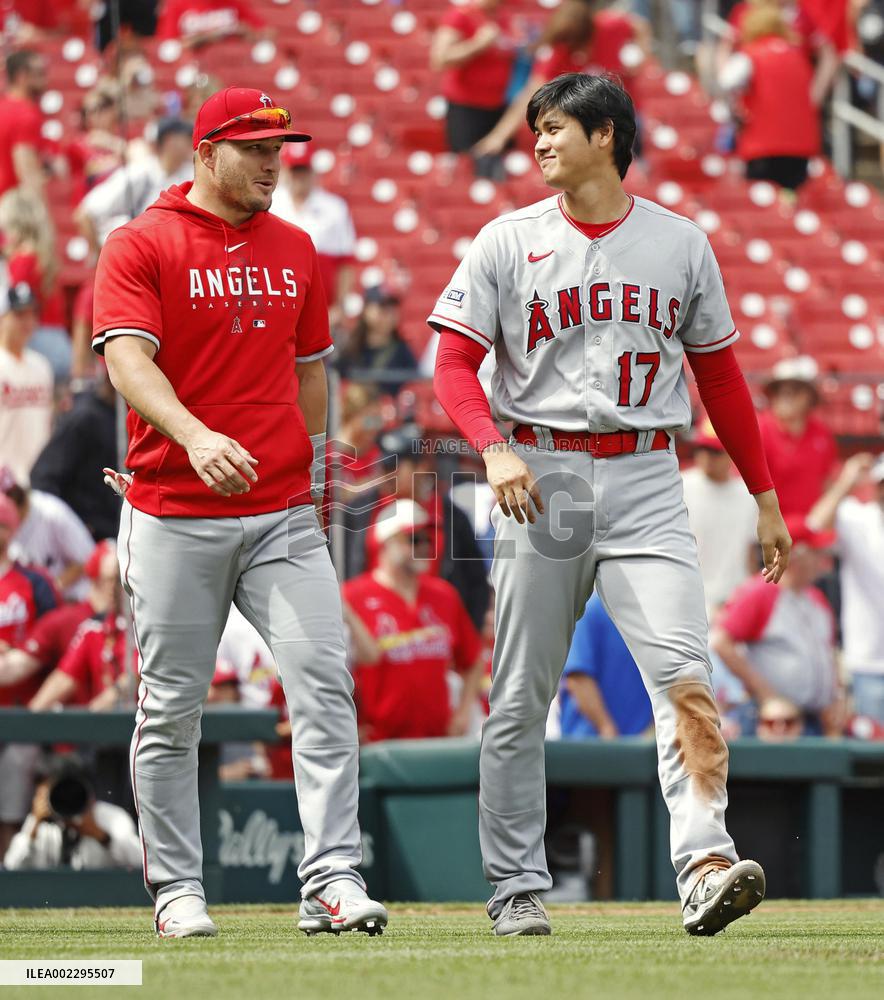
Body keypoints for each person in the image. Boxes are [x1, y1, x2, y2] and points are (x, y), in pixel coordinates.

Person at [429, 73, 791, 937]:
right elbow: (451, 364)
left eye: (555, 127)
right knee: (519, 693)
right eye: (537, 129)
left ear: (605, 135)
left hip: (645, 474)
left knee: (686, 680)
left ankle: (704, 863)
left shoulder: (679, 243)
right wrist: (493, 447)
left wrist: (765, 497)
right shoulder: (508, 240)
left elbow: (722, 381)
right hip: (542, 474)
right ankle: (516, 884)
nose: (540, 142)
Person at [92, 86, 386, 939]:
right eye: (254, 148)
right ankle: (178, 888)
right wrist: (193, 436)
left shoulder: (298, 245)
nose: (272, 162)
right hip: (174, 507)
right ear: (206, 150)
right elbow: (126, 363)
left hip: (283, 511)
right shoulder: (140, 240)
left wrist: (323, 464)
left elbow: (310, 372)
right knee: (174, 706)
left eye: (278, 148)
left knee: (325, 688)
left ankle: (331, 877)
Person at [343, 499, 486, 742]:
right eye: (413, 539)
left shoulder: (444, 595)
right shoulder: (352, 596)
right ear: (386, 543)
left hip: (438, 742)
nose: (424, 546)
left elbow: (473, 660)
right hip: (378, 746)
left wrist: (462, 712)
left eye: (427, 539)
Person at [711, 517, 843, 737]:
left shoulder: (817, 598)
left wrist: (837, 697)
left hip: (816, 721)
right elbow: (720, 642)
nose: (823, 559)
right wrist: (765, 693)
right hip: (773, 724)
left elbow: (829, 655)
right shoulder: (762, 590)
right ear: (796, 554)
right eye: (816, 552)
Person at [473, 0, 650, 159]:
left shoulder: (609, 26)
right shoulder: (557, 52)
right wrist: (498, 137)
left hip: (625, 113)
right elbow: (530, 94)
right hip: (591, 123)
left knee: (631, 166)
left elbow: (640, 25)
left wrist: (642, 56)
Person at [0, 491, 58, 859]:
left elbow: (51, 641)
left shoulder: (34, 581)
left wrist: (16, 655)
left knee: (12, 811)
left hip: (24, 711)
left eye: (2, 524)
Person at [807, 452, 884, 723]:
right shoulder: (859, 518)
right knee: (872, 757)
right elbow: (814, 525)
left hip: (868, 662)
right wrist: (846, 480)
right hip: (868, 662)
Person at [718, 4, 822, 191]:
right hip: (801, 145)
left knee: (764, 204)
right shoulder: (798, 55)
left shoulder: (751, 54)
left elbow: (726, 80)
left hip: (762, 145)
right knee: (789, 203)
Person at [0, 540, 119, 699]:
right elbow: (15, 667)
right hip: (76, 720)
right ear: (95, 578)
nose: (119, 588)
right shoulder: (64, 621)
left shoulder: (136, 624)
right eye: (112, 580)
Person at [75, 118, 194, 257]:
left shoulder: (191, 174)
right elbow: (84, 213)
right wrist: (99, 257)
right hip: (136, 256)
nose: (190, 143)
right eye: (185, 138)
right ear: (169, 141)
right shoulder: (140, 172)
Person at [29, 360, 119, 541]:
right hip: (91, 541)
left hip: (119, 533)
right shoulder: (85, 416)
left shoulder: (127, 416)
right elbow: (43, 478)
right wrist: (71, 532)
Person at [3, 754, 143, 871]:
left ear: (89, 790)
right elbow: (12, 868)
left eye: (73, 791)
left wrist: (102, 836)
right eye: (59, 791)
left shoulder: (111, 817)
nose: (67, 798)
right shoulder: (40, 820)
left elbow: (140, 861)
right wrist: (32, 830)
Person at [270, 142, 356, 325]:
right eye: (295, 170)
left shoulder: (335, 208)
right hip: (279, 306)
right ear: (285, 171)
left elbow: (346, 262)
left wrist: (339, 308)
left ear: (313, 172)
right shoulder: (270, 204)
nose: (299, 177)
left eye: (303, 170)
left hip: (323, 309)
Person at [430, 0, 518, 179]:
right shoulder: (460, 15)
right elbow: (439, 58)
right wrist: (477, 44)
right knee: (468, 169)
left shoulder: (503, 16)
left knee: (498, 168)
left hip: (499, 104)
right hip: (467, 107)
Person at [681, 420, 759, 623]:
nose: (706, 458)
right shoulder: (680, 486)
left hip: (731, 600)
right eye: (702, 449)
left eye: (714, 452)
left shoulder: (748, 496)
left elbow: (749, 554)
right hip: (688, 598)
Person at [559, 593, 652, 739]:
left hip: (638, 748)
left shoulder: (653, 618)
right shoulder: (591, 610)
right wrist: (606, 729)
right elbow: (578, 679)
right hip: (588, 746)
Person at [756, 356, 839, 520]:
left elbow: (827, 483)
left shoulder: (822, 433)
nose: (785, 395)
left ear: (810, 396)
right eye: (779, 390)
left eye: (795, 389)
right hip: (770, 531)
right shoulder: (759, 430)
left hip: (813, 531)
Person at [0, 188, 69, 378]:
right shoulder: (45, 257)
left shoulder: (22, 259)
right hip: (60, 342)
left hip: (36, 343)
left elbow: (17, 311)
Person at [3, 468, 97, 600]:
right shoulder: (8, 528)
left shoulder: (51, 513)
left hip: (77, 599)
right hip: (40, 607)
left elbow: (87, 560)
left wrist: (50, 589)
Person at [0, 283, 52, 486]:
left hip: (37, 480)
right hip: (4, 482)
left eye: (32, 315)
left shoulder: (42, 366)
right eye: (20, 315)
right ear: (4, 317)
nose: (28, 322)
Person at [335, 286, 418, 399]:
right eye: (382, 307)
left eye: (393, 307)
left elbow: (413, 388)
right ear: (366, 310)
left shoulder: (403, 351)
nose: (389, 313)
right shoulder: (351, 349)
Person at [0, 49, 47, 199]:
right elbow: (27, 173)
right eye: (39, 73)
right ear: (21, 76)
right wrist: (42, 219)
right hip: (10, 208)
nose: (45, 79)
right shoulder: (26, 114)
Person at [155, 0, 267, 49]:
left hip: (233, 62)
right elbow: (168, 46)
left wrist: (247, 31)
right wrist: (206, 37)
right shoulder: (177, 4)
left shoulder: (232, 2)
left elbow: (266, 32)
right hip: (194, 63)